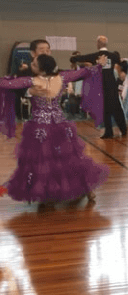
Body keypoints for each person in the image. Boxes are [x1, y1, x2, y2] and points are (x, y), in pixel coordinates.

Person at [0, 54, 108, 204]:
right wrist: (99, 65)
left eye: (34, 64)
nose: (31, 65)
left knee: (41, 162)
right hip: (61, 125)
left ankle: (46, 193)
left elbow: (6, 84)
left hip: (40, 128)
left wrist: (28, 91)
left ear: (42, 69)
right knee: (72, 159)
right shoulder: (62, 78)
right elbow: (84, 72)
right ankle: (87, 190)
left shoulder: (32, 81)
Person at [71, 35, 127, 139]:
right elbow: (124, 63)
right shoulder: (113, 56)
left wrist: (73, 58)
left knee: (105, 108)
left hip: (101, 85)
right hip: (112, 85)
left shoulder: (95, 56)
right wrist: (124, 71)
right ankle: (123, 130)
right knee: (117, 107)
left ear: (98, 44)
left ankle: (109, 132)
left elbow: (81, 58)